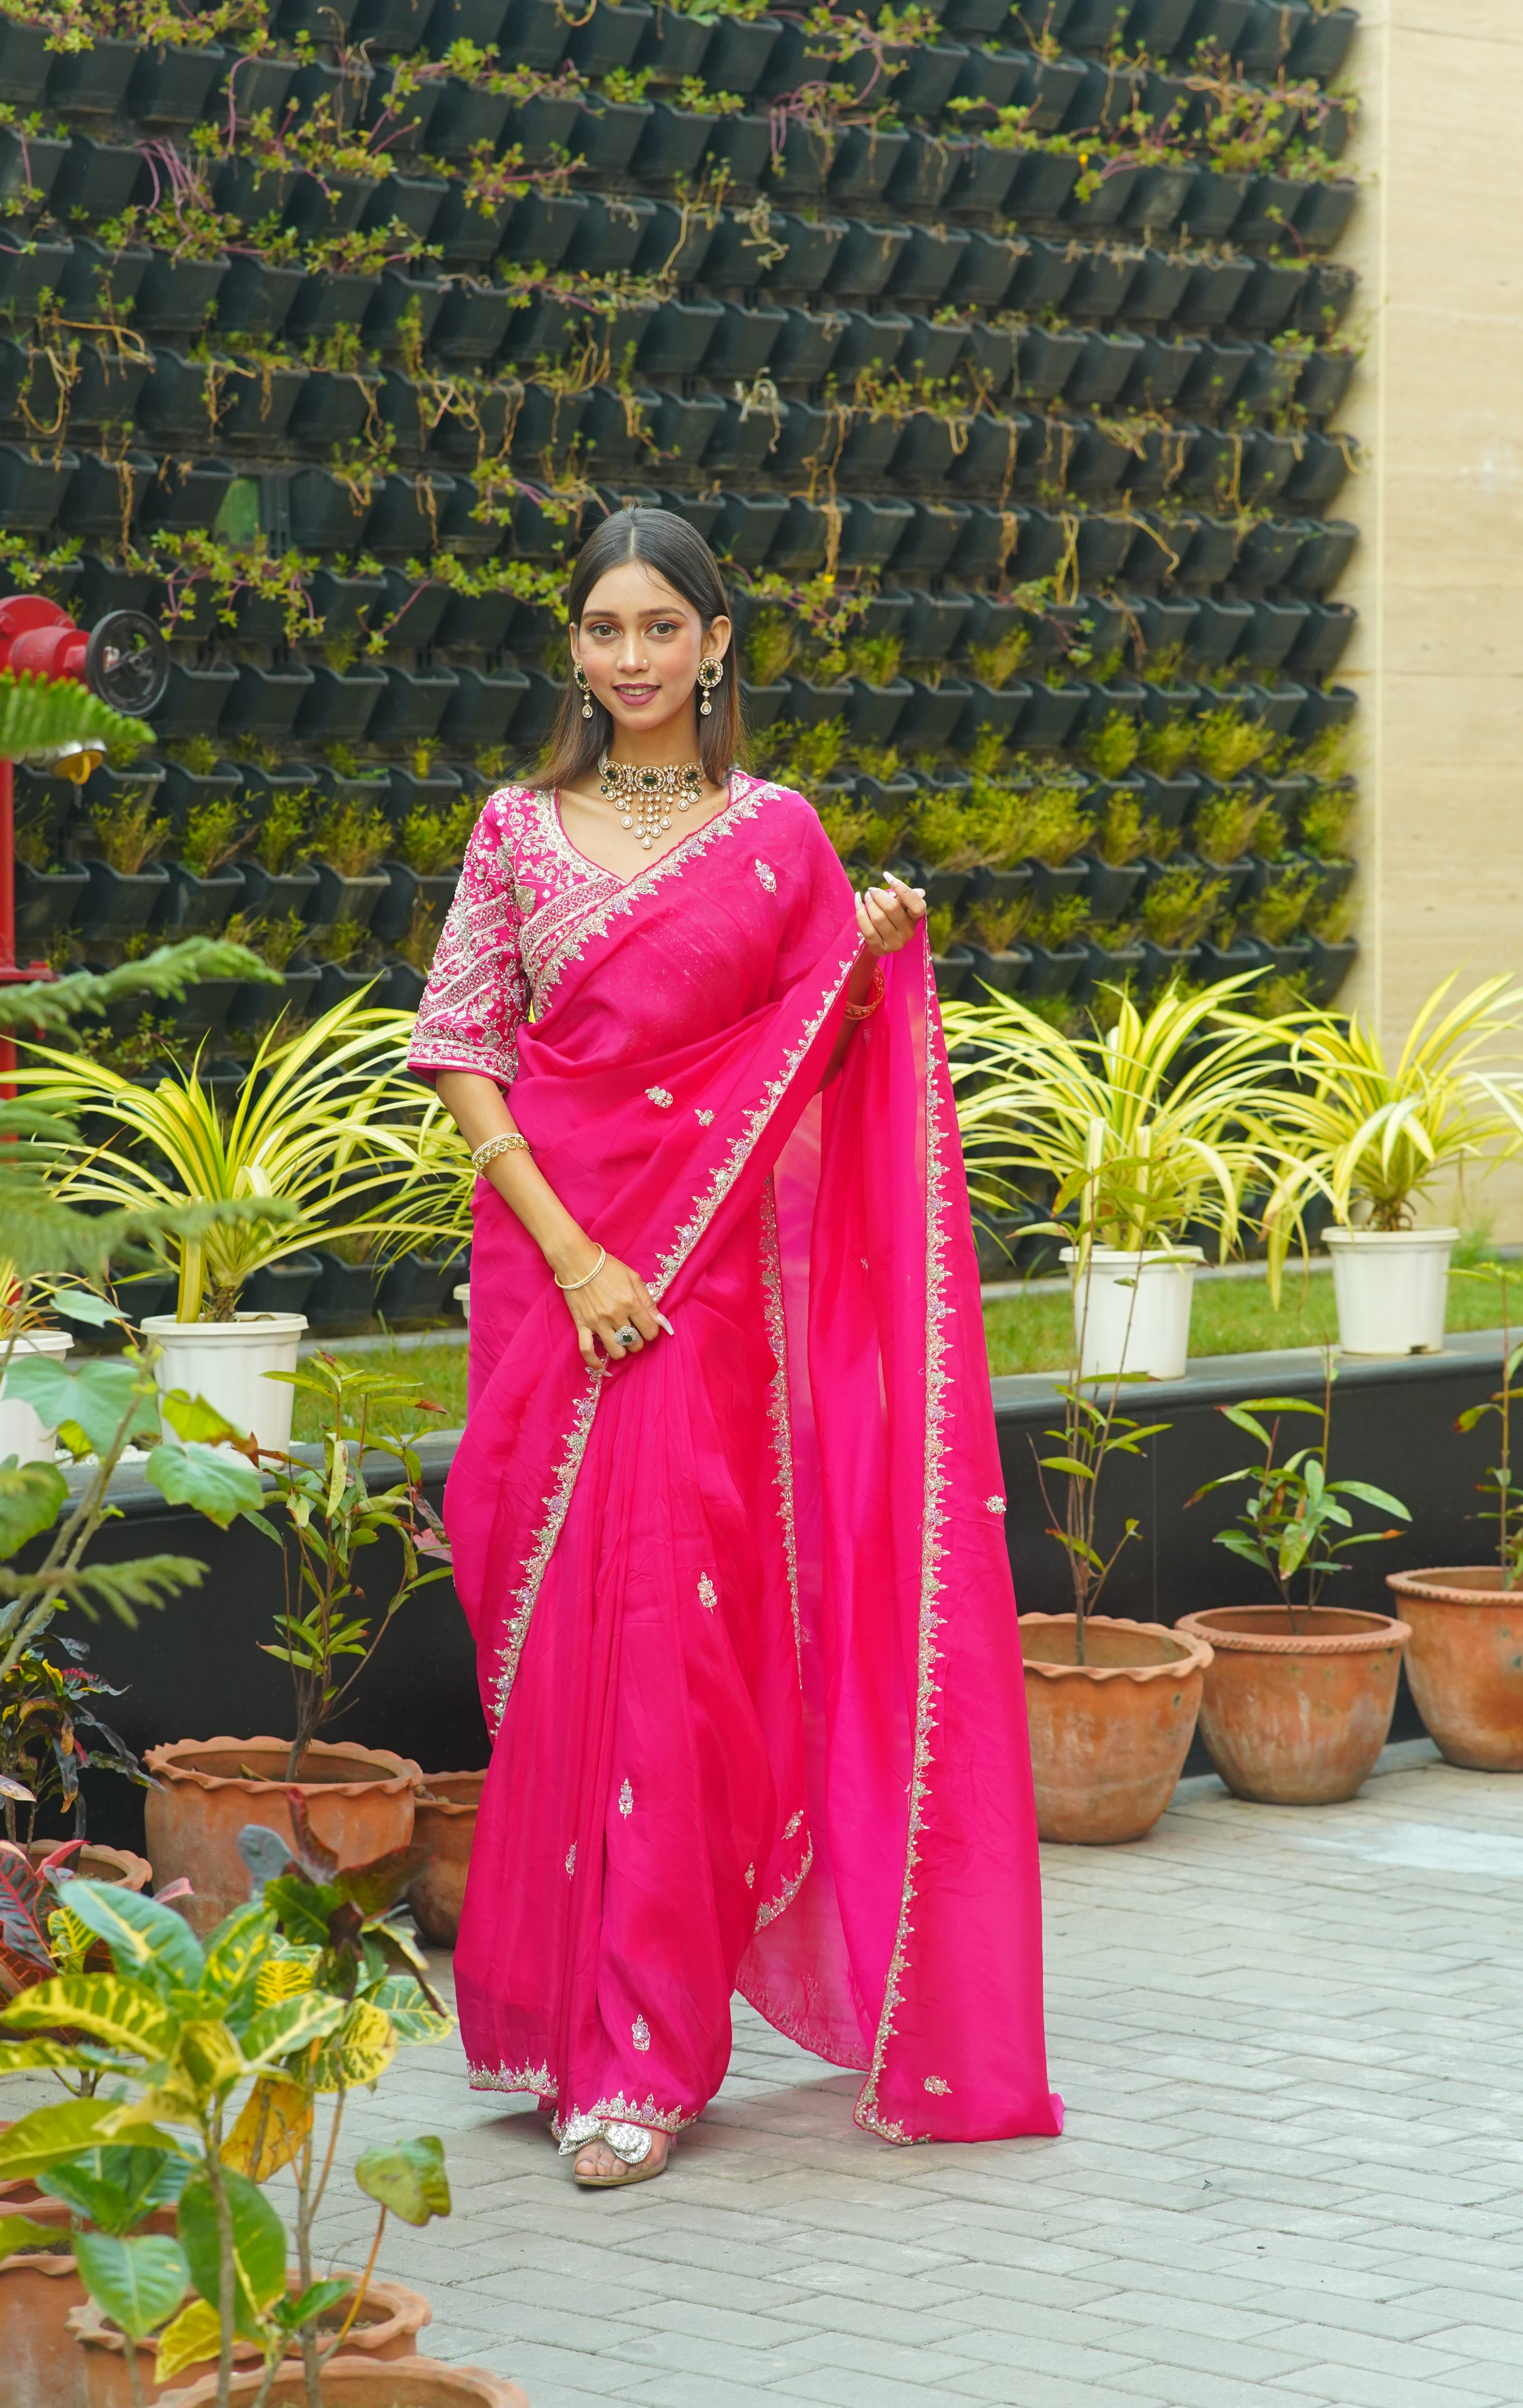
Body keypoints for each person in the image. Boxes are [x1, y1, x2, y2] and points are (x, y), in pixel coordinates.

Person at [408, 507, 1062, 2187]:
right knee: (554, 1639)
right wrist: (577, 1259)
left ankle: (644, 2052)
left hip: (703, 1307)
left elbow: (810, 1070)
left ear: (714, 643)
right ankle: (562, 2022)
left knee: (669, 1656)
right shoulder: (513, 830)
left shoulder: (777, 838)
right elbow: (465, 1049)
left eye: (659, 628)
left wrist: (871, 968)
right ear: (575, 647)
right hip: (565, 1286)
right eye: (603, 629)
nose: (629, 658)